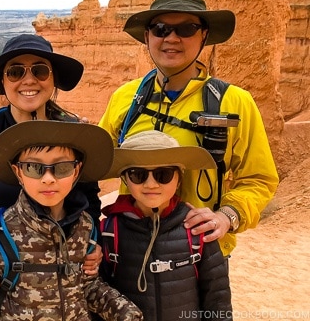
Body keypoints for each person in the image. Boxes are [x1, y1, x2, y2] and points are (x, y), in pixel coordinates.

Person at [98, 0, 279, 256]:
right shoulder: (125, 98)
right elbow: (96, 166)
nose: (171, 38)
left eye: (186, 28)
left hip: (200, 254)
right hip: (129, 251)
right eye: (160, 29)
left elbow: (258, 179)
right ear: (147, 36)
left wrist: (226, 216)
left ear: (204, 35)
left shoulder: (235, 102)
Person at [0, 34, 103, 320]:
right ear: (3, 82)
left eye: (40, 70)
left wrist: (92, 242)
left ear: (53, 80)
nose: (29, 80)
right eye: (16, 71)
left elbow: (89, 198)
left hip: (59, 279)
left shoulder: (74, 135)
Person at [0, 120, 143, 321]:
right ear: (17, 171)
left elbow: (87, 286)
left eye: (61, 167)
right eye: (33, 167)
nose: (48, 178)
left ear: (76, 171)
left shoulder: (85, 227)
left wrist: (127, 313)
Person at [99, 130, 232, 321]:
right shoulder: (109, 231)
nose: (151, 184)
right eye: (138, 174)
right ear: (125, 179)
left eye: (163, 174)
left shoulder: (198, 230)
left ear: (179, 179)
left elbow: (218, 300)